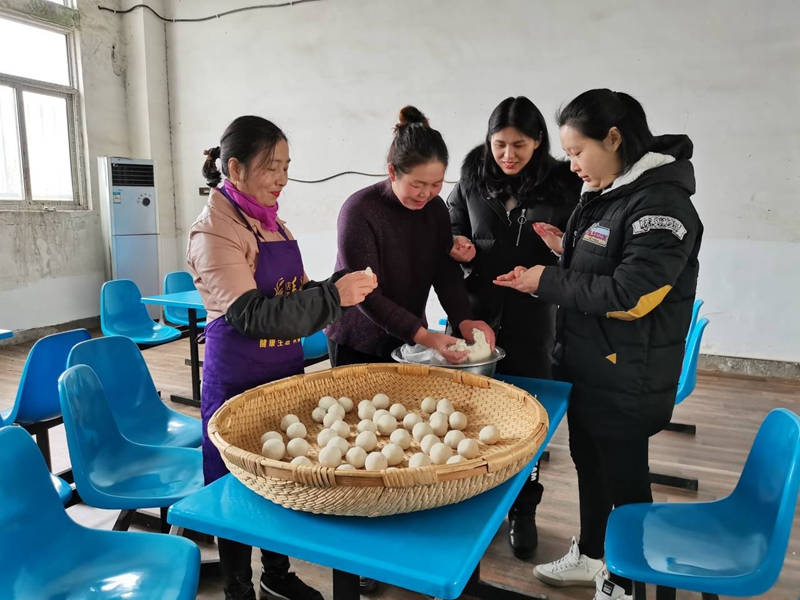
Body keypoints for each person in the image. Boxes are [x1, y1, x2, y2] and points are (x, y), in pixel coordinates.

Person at [494, 90, 702, 600]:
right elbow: (608, 259)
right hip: (590, 362)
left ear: (613, 139)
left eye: (577, 152)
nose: (572, 165)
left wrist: (547, 280)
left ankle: (628, 580)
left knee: (625, 479)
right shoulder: (611, 190)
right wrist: (565, 250)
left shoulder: (663, 205)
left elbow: (632, 295)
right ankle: (591, 554)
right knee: (589, 464)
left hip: (628, 372)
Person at [188, 115, 377, 600]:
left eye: (287, 167)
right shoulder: (214, 230)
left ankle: (276, 573)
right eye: (271, 167)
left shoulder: (271, 222)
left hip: (281, 374)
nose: (282, 179)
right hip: (238, 377)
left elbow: (293, 294)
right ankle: (237, 586)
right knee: (232, 487)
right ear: (235, 168)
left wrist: (332, 286)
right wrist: (333, 298)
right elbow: (251, 314)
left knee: (281, 474)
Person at [446, 96, 581, 559]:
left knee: (528, 419)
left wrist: (556, 259)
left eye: (519, 145)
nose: (507, 155)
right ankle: (470, 505)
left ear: (539, 141)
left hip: (534, 316)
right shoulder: (471, 176)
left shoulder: (564, 183)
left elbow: (582, 251)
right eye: (499, 144)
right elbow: (451, 225)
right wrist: (457, 245)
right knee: (468, 415)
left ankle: (524, 508)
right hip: (475, 314)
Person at [326, 106, 495, 367]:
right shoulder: (359, 211)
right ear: (392, 172)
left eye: (436, 184)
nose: (426, 194)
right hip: (358, 341)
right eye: (417, 184)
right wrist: (424, 336)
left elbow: (444, 272)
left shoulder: (435, 209)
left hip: (409, 340)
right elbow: (365, 294)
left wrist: (464, 319)